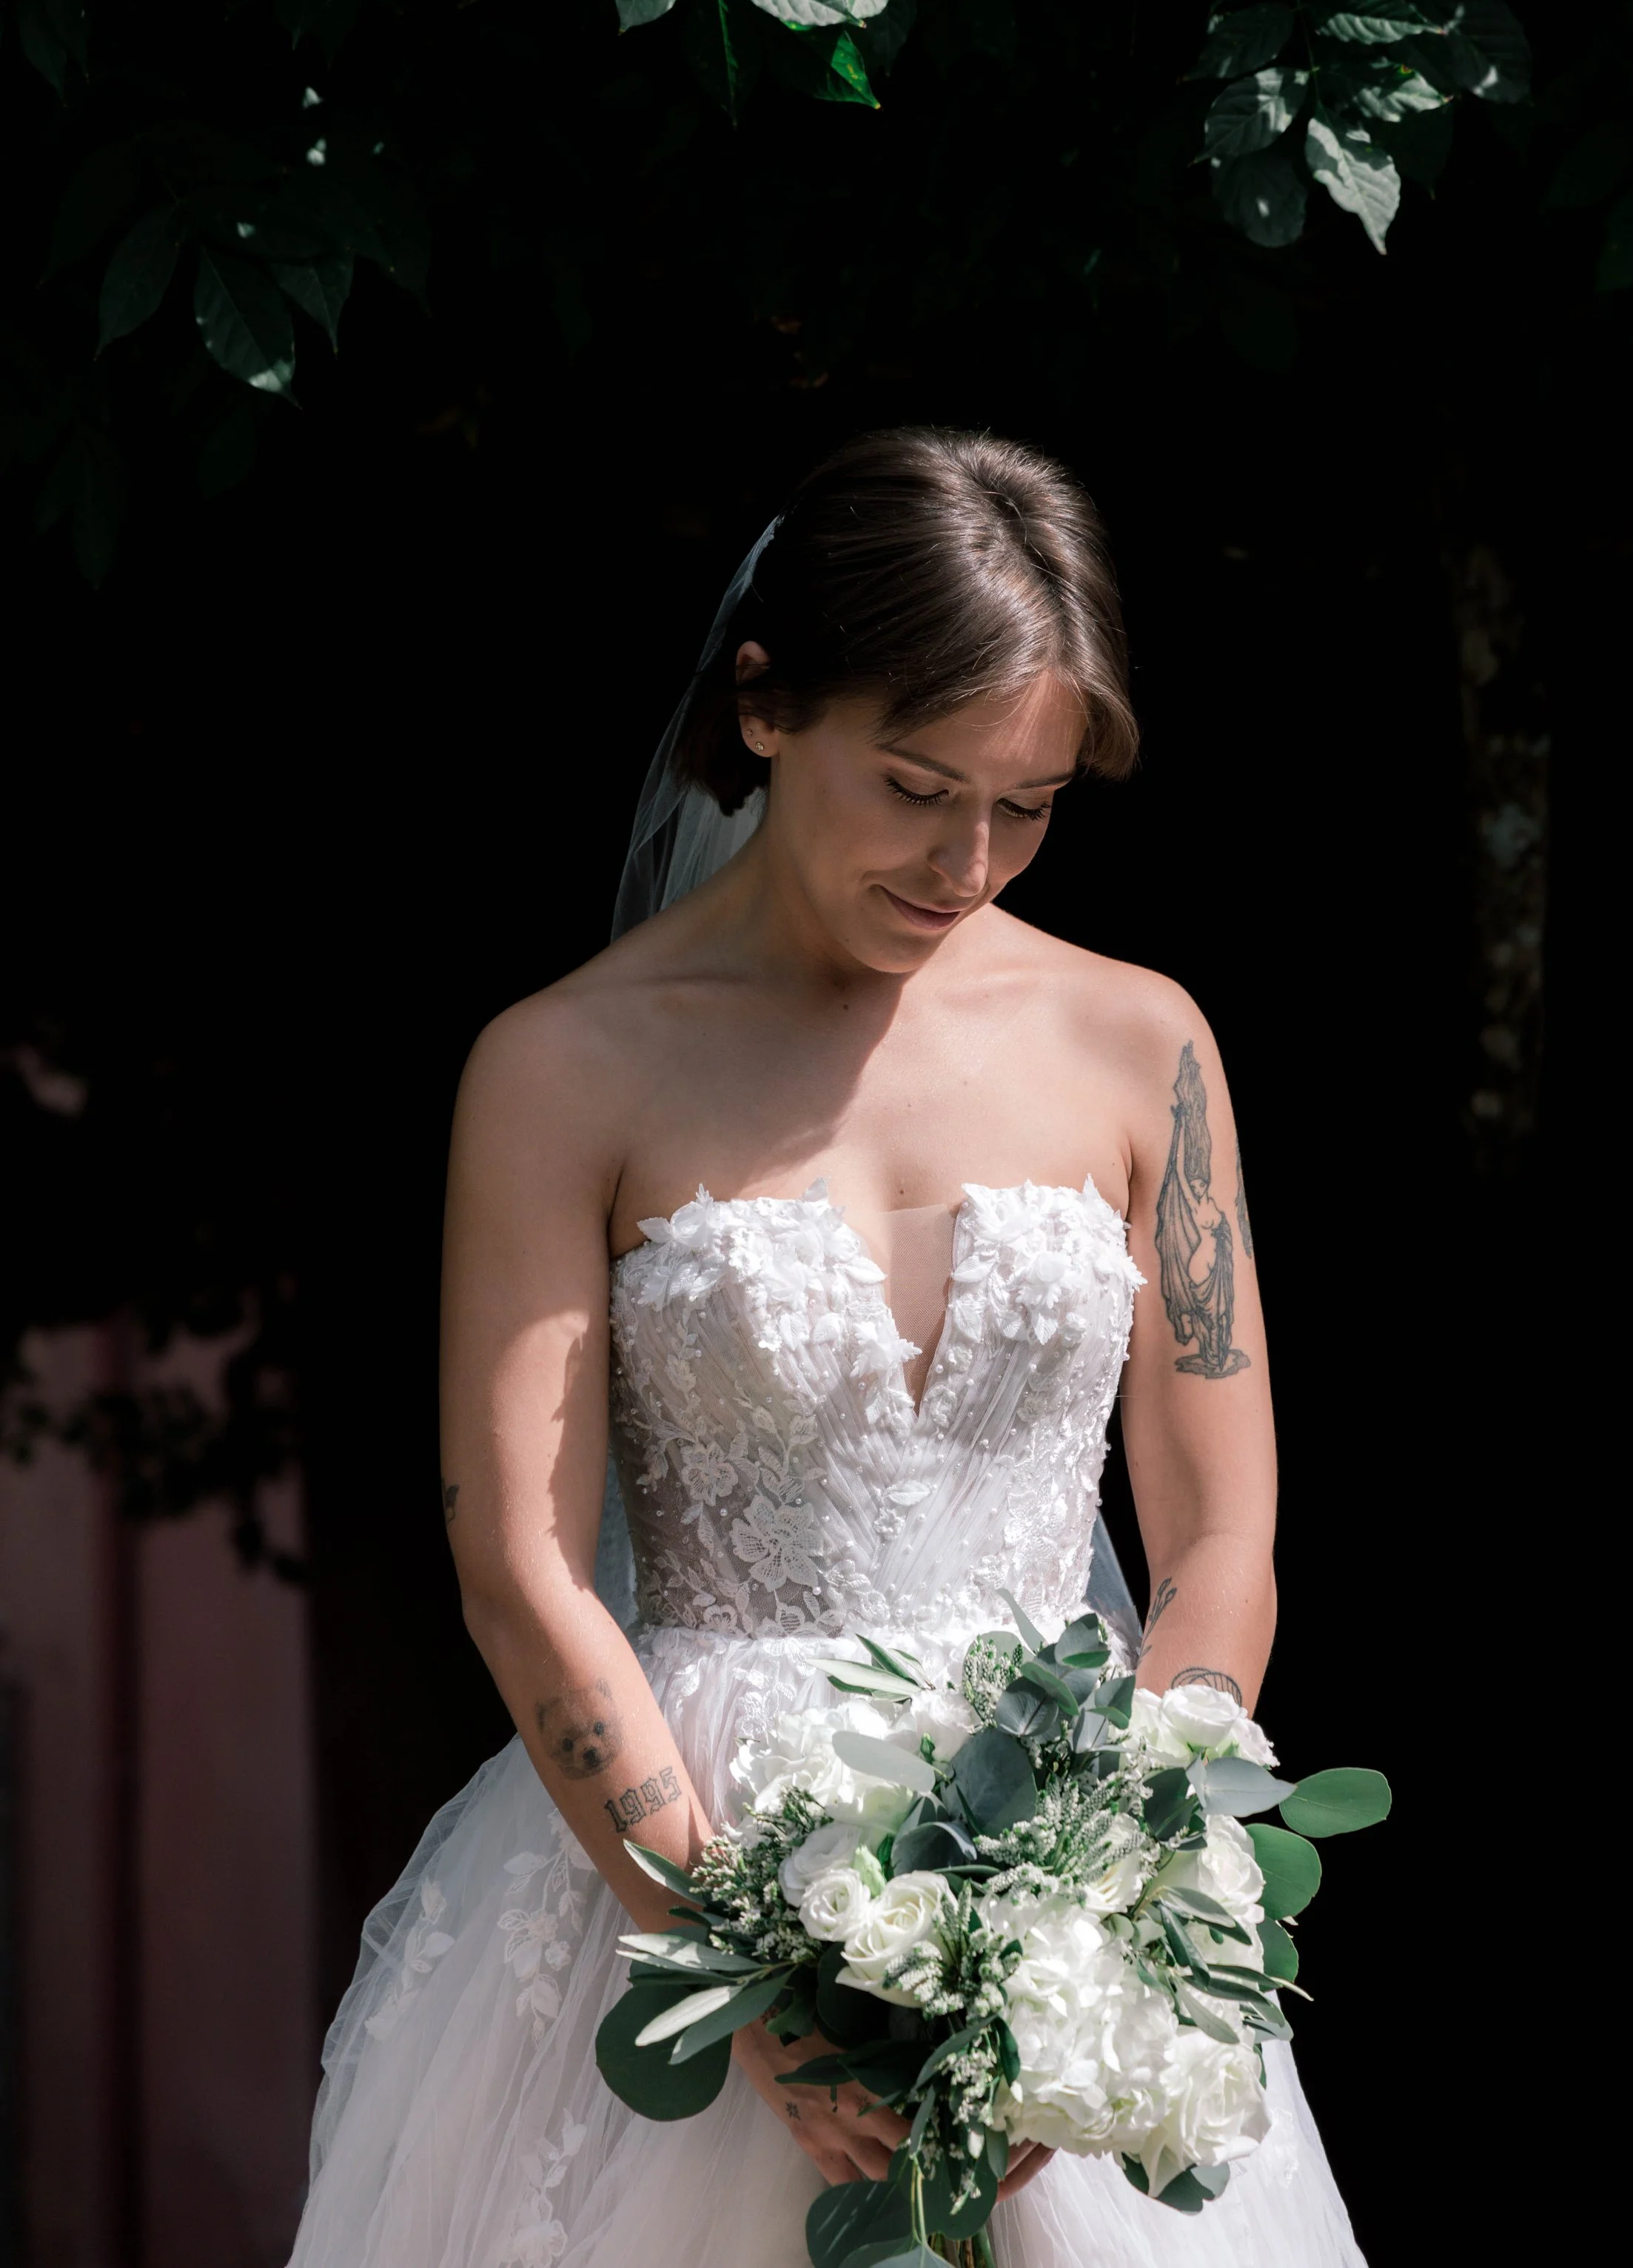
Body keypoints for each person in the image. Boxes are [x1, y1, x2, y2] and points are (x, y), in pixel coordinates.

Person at [289, 429, 1364, 2267]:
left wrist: (1102, 1910)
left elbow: (1217, 1538)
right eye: (918, 784)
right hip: (690, 1854)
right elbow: (521, 1560)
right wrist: (748, 1981)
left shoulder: (1142, 1046)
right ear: (765, 706)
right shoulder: (561, 1069)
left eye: (1024, 806)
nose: (965, 859)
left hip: (1072, 1876)